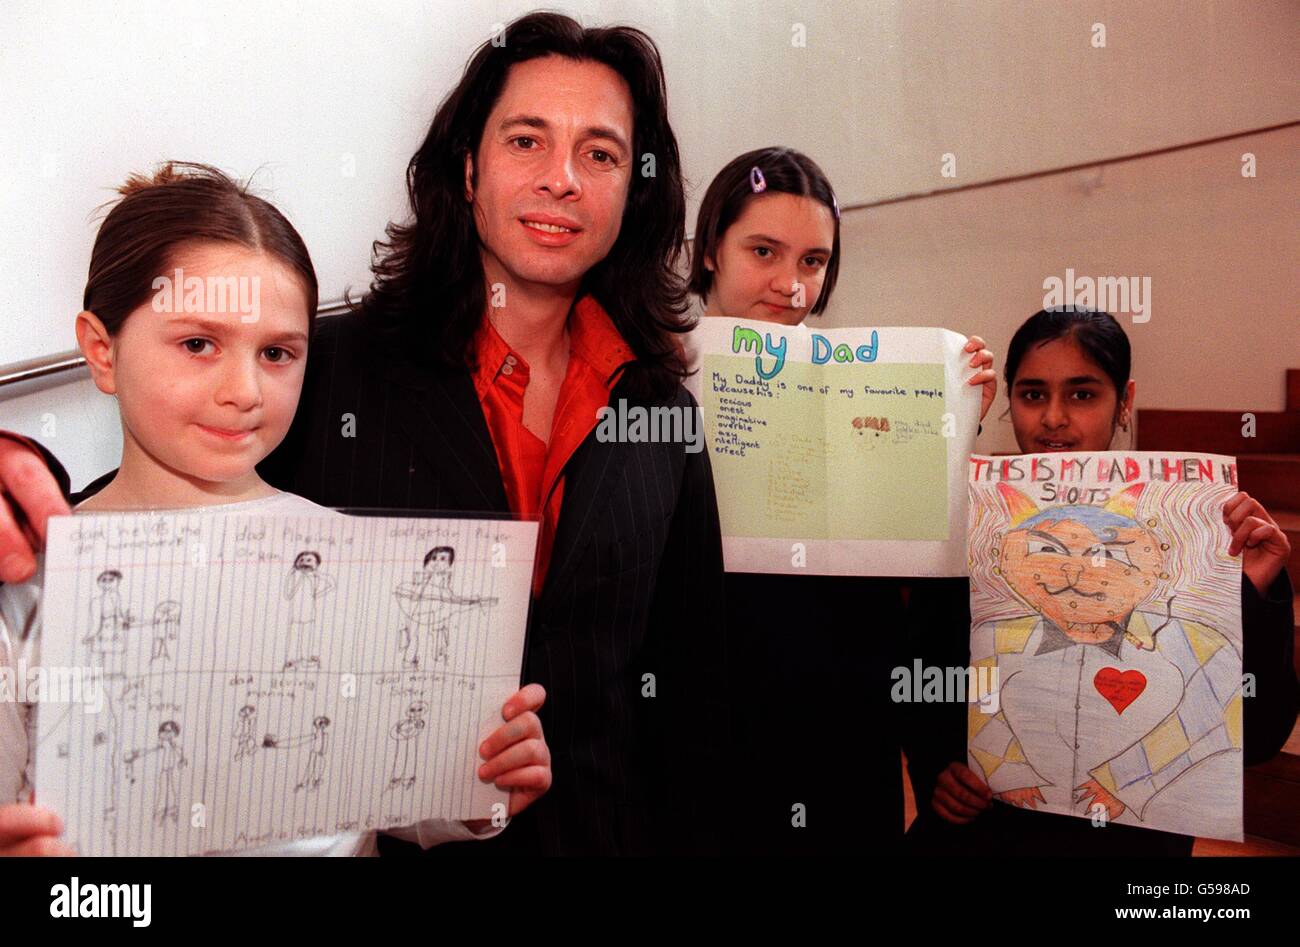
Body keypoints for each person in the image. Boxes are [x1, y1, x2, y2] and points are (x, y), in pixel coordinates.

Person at [0, 11, 726, 855]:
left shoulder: (661, 405)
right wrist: (21, 478)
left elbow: (694, 675)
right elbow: (162, 507)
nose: (562, 178)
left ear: (632, 187)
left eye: (599, 153)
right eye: (527, 140)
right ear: (466, 168)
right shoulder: (334, 366)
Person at [0, 162, 551, 857]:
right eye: (198, 343)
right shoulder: (26, 578)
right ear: (102, 350)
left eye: (277, 353)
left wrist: (485, 784)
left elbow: (404, 790)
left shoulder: (357, 558)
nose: (244, 389)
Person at [688, 147, 997, 851]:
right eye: (763, 250)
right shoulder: (651, 379)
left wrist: (957, 420)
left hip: (846, 736)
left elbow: (919, 583)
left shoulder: (864, 378)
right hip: (708, 729)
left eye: (813, 261)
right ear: (710, 248)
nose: (791, 286)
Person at [904, 307, 1297, 855]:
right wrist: (937, 770)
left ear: (1124, 401)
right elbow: (920, 682)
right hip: (985, 839)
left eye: (1083, 394)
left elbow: (1260, 734)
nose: (1054, 418)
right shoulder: (971, 530)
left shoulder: (1192, 550)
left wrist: (1251, 596)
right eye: (1032, 394)